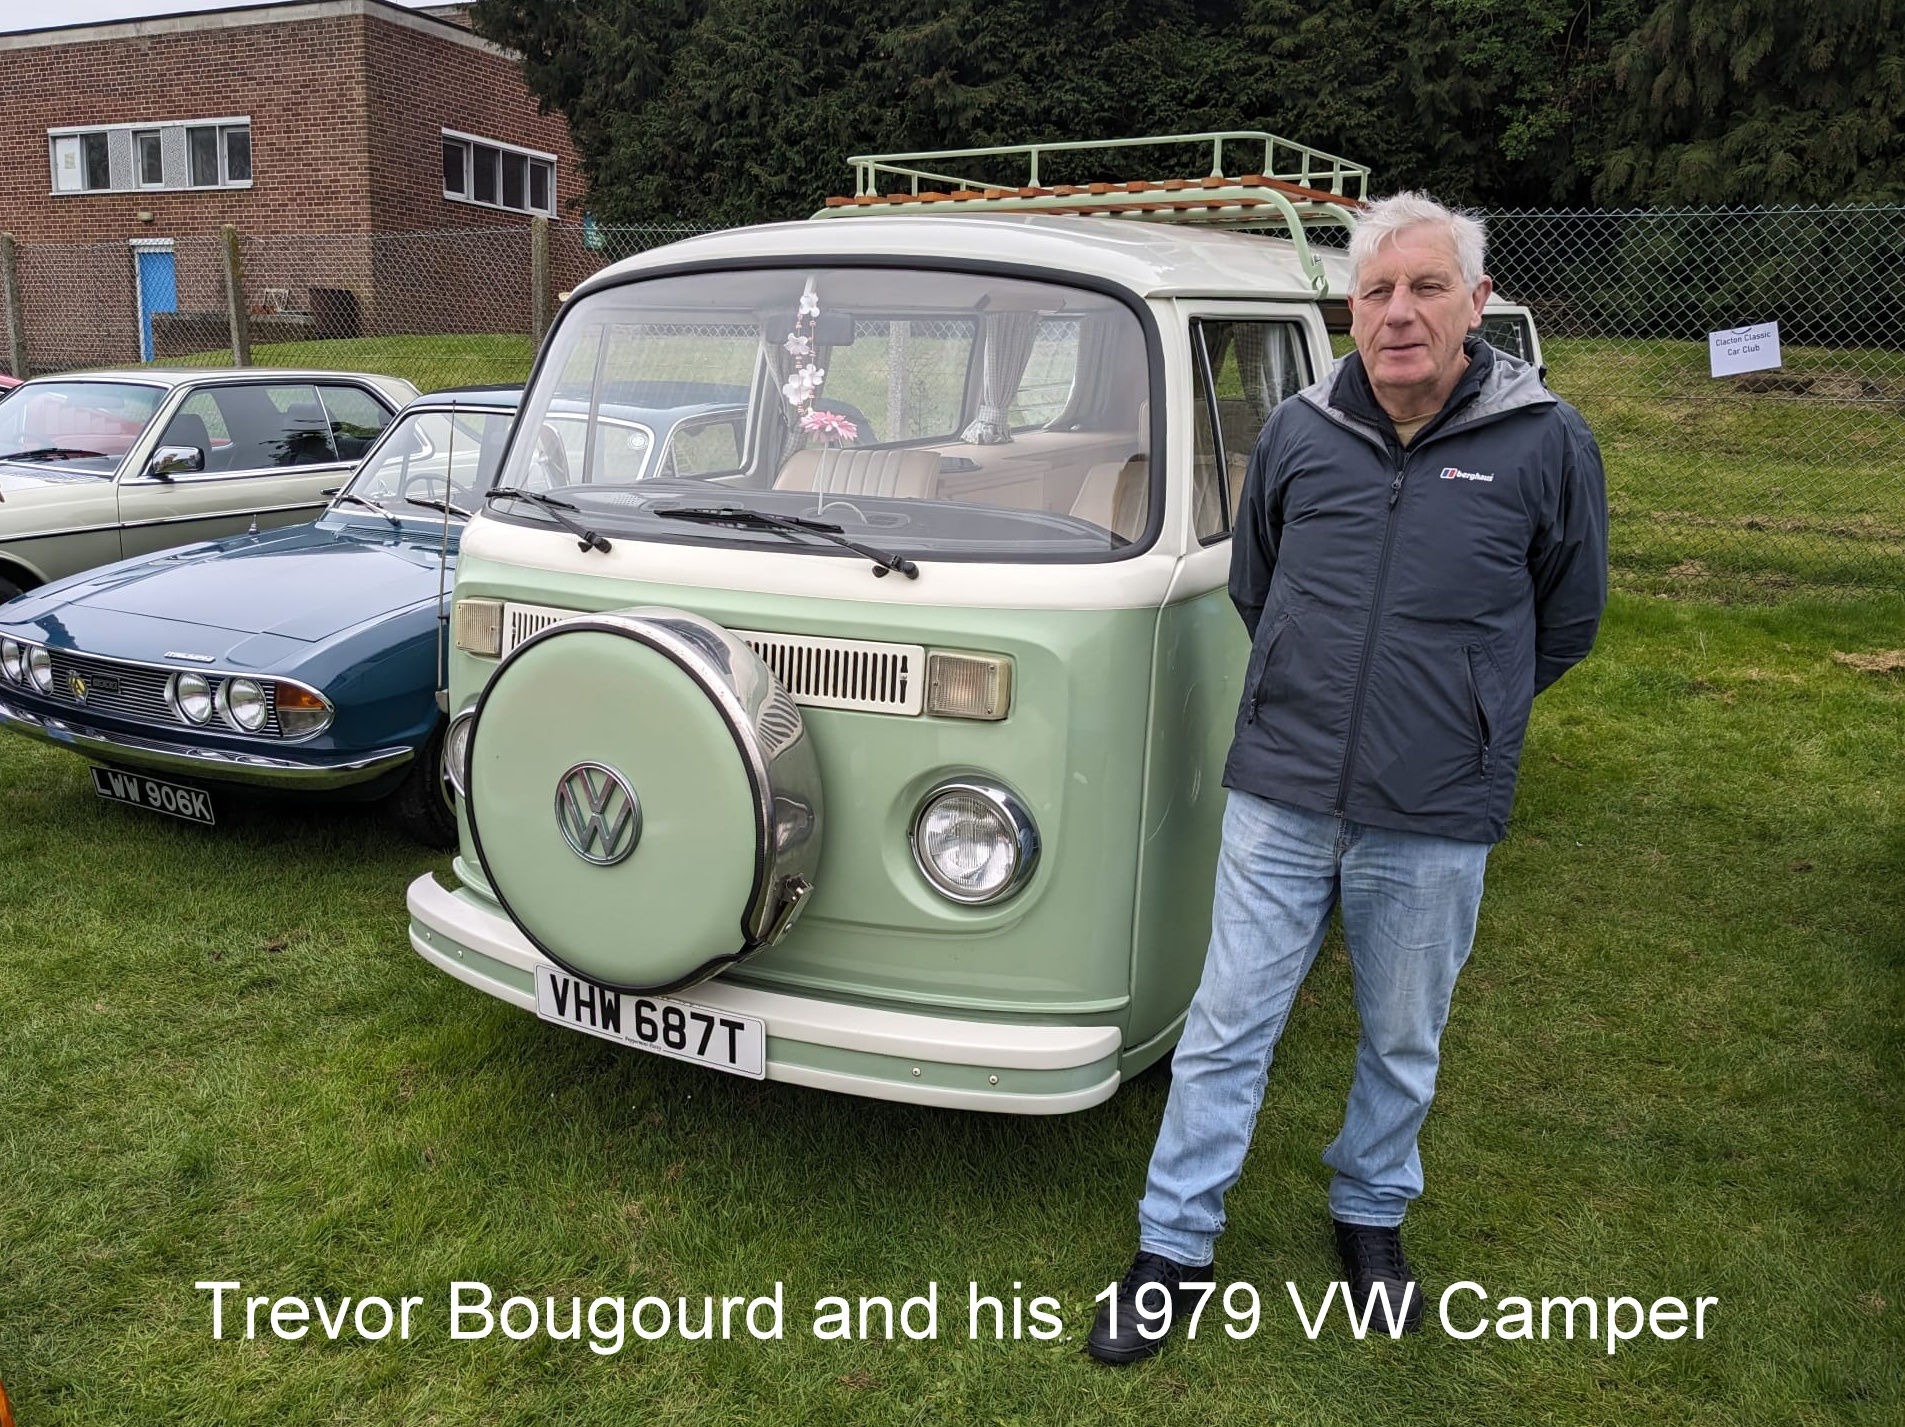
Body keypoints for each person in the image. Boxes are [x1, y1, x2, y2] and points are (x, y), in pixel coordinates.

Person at [1087, 192, 1607, 1363]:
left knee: (1402, 1031)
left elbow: (1566, 618)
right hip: (1284, 785)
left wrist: (1469, 710)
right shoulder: (1298, 430)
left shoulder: (1546, 441)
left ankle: (1370, 1212)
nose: (1399, 312)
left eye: (1427, 287)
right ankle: (1173, 1245)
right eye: (1377, 291)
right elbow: (1259, 582)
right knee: (1226, 1023)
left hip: (1435, 805)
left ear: (1476, 302)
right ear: (1350, 310)